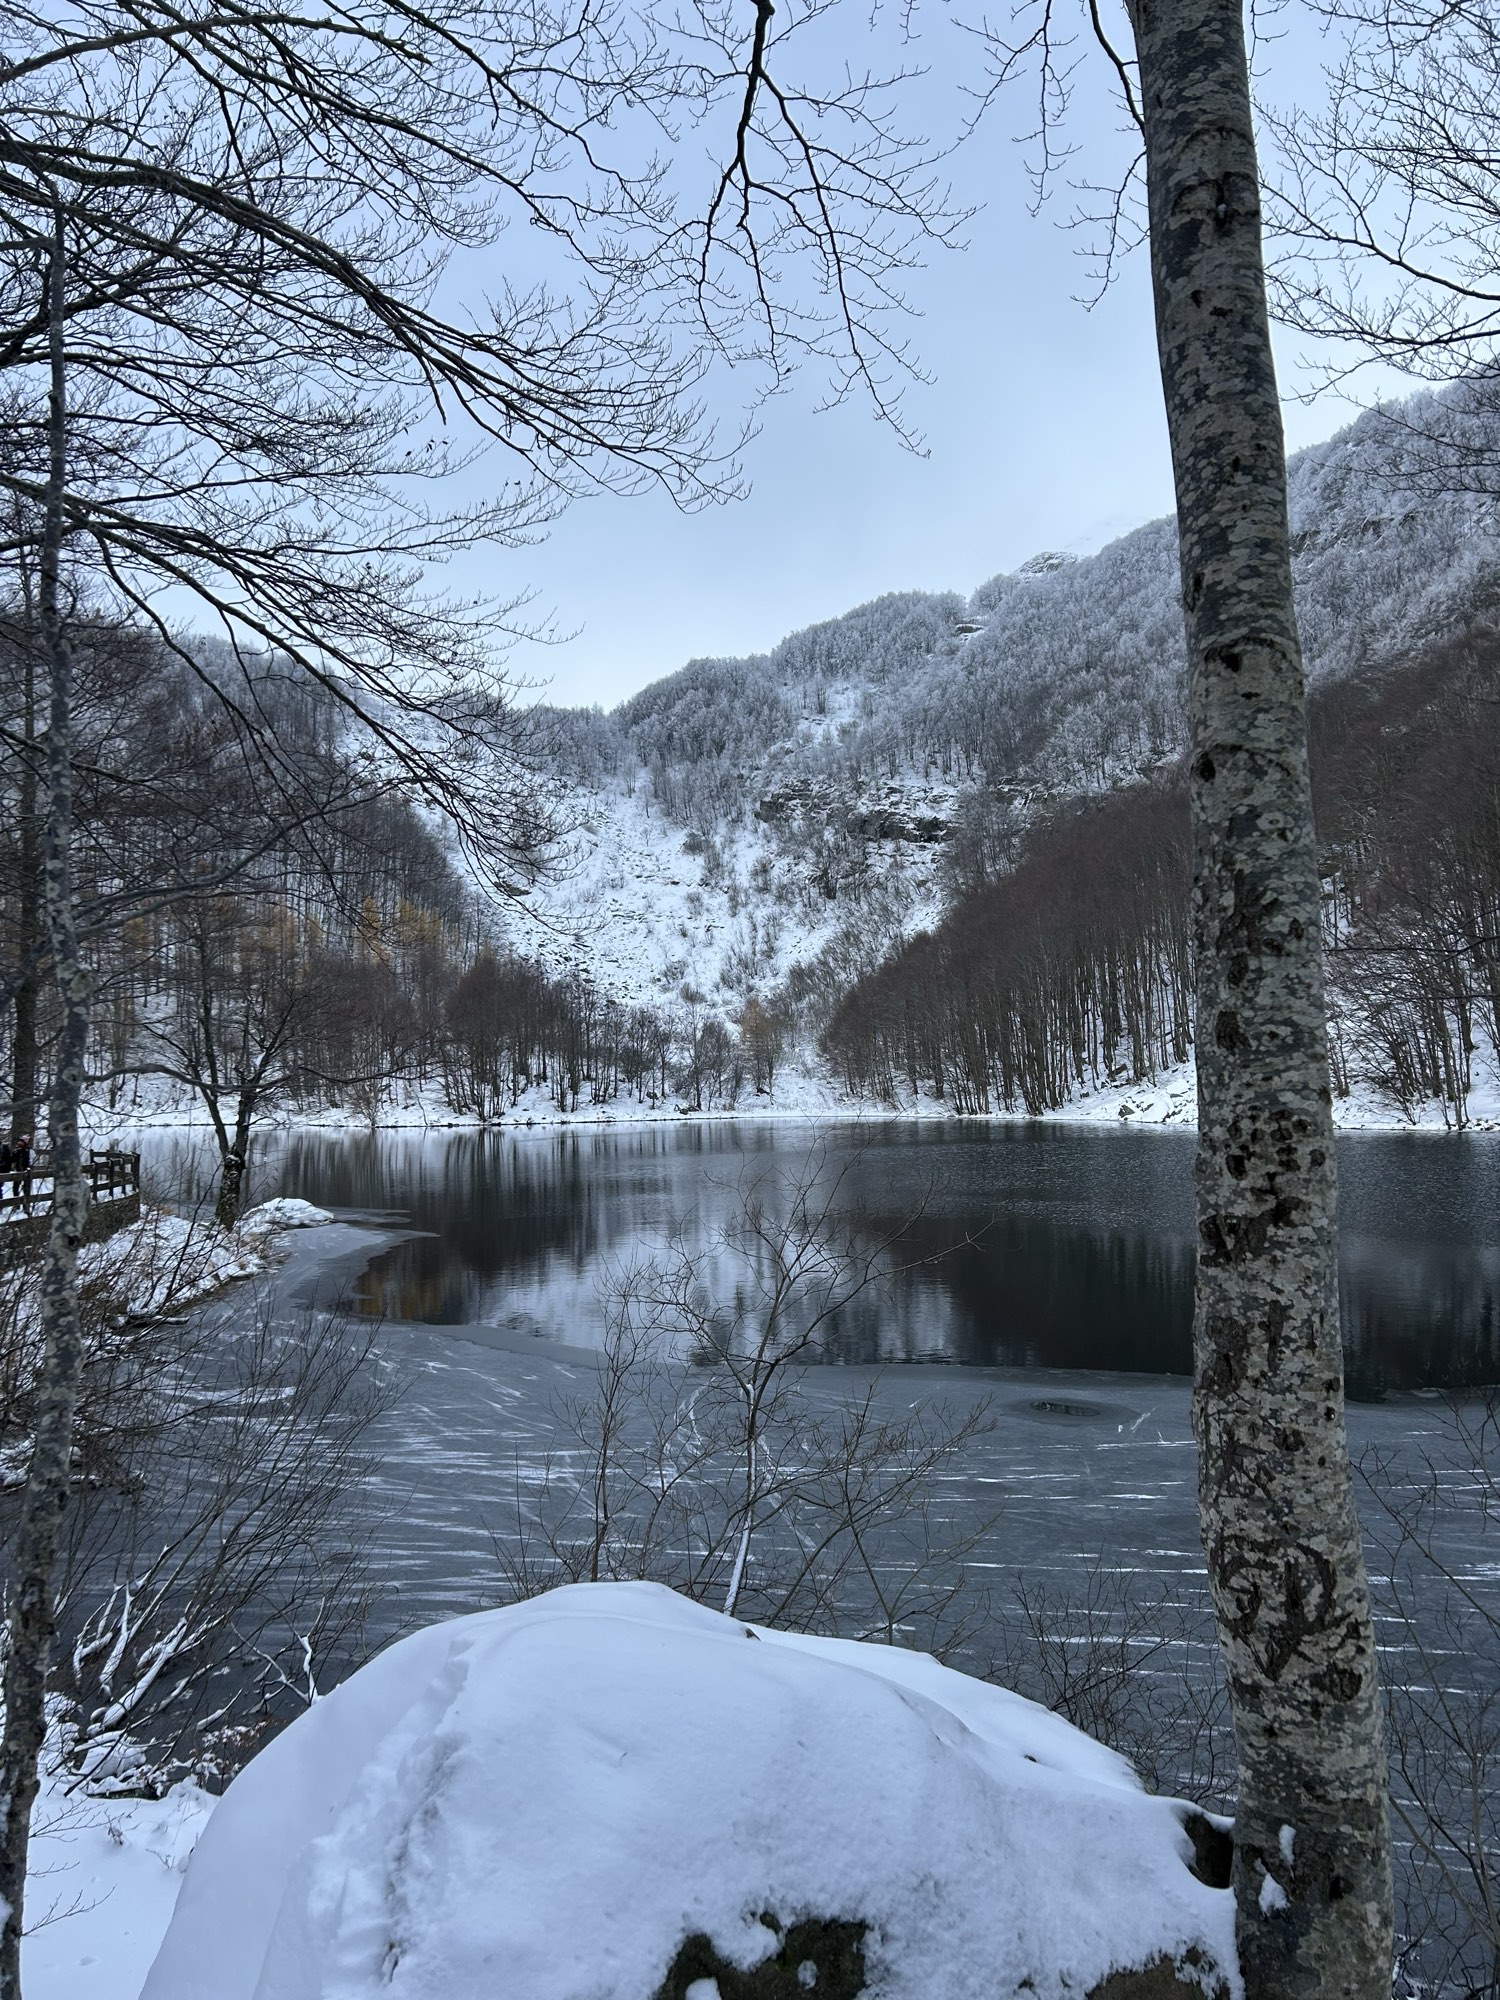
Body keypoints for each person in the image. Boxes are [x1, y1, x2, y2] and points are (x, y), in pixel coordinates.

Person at [14, 1132, 32, 1213]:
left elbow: (31, 1162)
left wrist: (29, 1169)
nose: (19, 1143)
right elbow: (13, 1161)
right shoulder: (16, 1151)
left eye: (21, 1141)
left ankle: (26, 1206)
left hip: (26, 1172)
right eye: (19, 1141)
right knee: (15, 1188)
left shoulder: (28, 1151)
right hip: (17, 1171)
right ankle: (16, 1204)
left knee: (26, 1190)